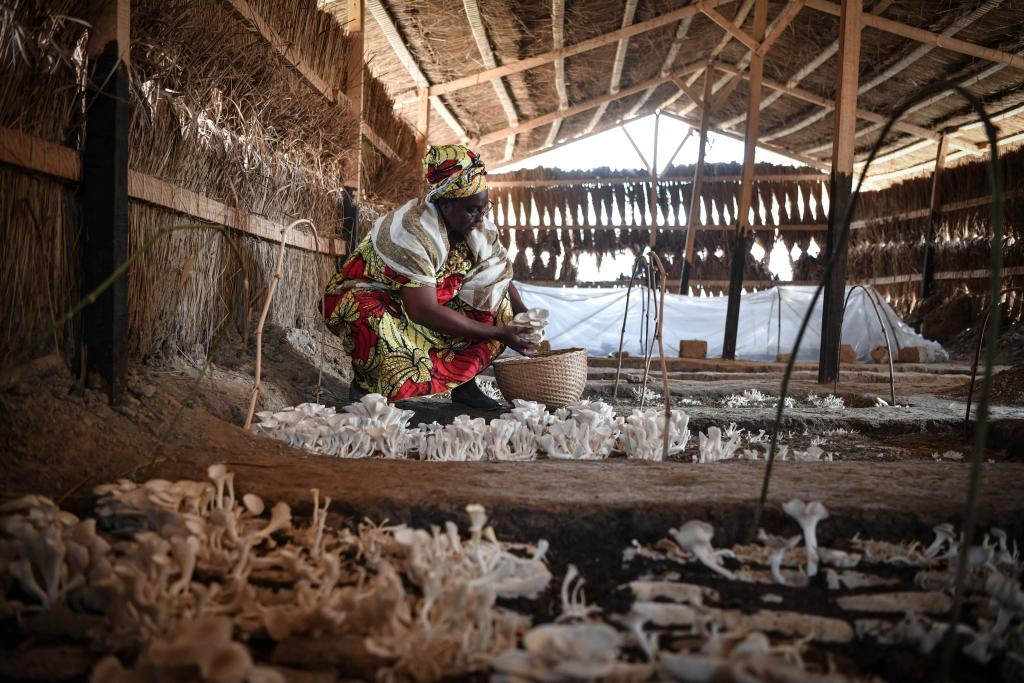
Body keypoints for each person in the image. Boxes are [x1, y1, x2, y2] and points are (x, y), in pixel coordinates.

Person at [323, 144, 533, 410]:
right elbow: (423, 311)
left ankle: (464, 384)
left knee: (498, 306)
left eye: (484, 208)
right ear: (445, 204)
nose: (481, 218)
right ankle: (368, 388)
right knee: (371, 318)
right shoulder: (414, 231)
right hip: (378, 298)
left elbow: (500, 274)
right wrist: (499, 333)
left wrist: (522, 314)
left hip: (430, 299)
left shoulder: (476, 227)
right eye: (472, 210)